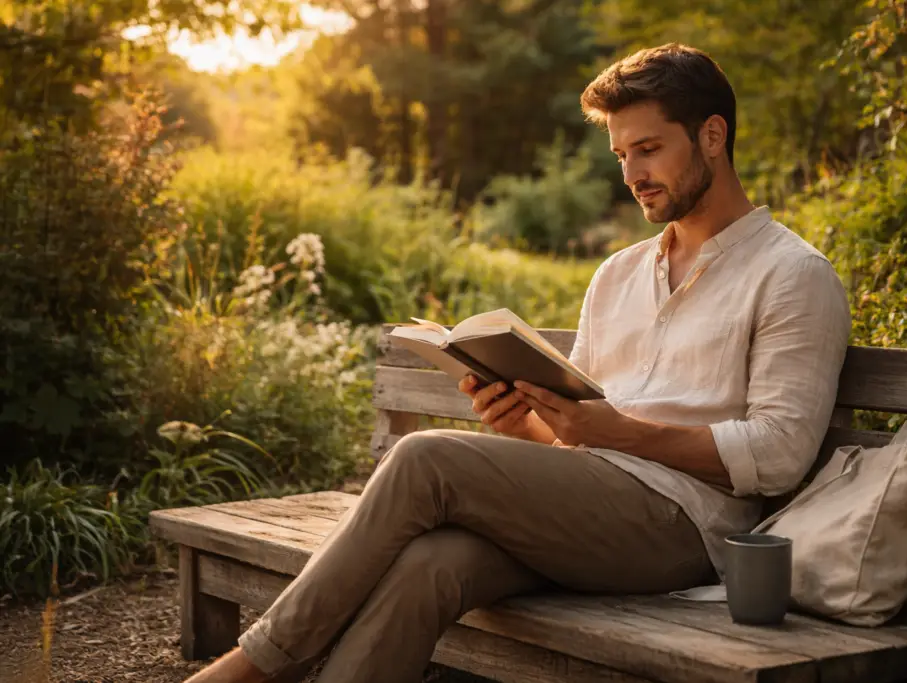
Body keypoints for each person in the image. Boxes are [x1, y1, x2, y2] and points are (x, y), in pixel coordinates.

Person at [184, 42, 852, 683]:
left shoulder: (792, 274)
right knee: (434, 563)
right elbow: (577, 433)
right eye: (621, 154)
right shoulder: (618, 275)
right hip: (591, 506)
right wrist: (524, 423)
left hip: (688, 528)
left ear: (712, 136)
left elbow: (782, 451)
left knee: (425, 457)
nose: (631, 174)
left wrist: (620, 432)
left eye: (648, 149)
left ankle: (253, 666)